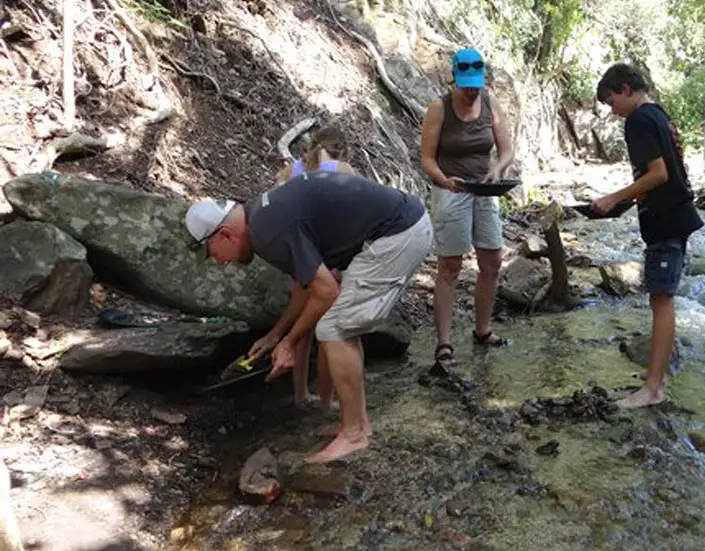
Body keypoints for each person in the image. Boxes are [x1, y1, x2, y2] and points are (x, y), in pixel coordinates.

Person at [184, 171, 433, 463]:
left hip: (398, 234)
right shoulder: (263, 216)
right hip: (403, 226)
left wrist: (289, 343)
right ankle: (356, 424)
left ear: (225, 234)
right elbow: (308, 287)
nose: (219, 261)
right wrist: (276, 335)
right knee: (342, 326)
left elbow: (327, 292)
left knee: (333, 329)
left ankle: (354, 435)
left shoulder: (268, 231)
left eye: (212, 253)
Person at [592, 63, 704, 409]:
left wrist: (615, 197)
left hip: (666, 218)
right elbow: (670, 173)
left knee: (661, 300)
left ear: (625, 89)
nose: (613, 112)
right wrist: (635, 197)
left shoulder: (638, 119)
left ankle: (653, 387)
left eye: (612, 102)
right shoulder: (659, 114)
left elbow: (658, 174)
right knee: (662, 298)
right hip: (675, 213)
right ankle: (657, 378)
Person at [241, 126, 358, 410]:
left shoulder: (289, 170)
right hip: (328, 256)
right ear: (341, 149)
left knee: (303, 327)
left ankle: (301, 395)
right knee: (329, 330)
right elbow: (354, 208)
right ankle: (328, 401)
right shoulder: (343, 168)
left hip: (297, 254)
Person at [420, 47, 515, 367]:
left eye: (476, 85)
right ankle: (444, 343)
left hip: (485, 189)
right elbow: (427, 159)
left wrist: (498, 170)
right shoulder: (439, 108)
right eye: (467, 86)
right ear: (455, 80)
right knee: (450, 266)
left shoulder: (490, 102)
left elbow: (506, 151)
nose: (472, 91)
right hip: (451, 190)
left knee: (492, 262)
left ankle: (483, 330)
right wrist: (443, 179)